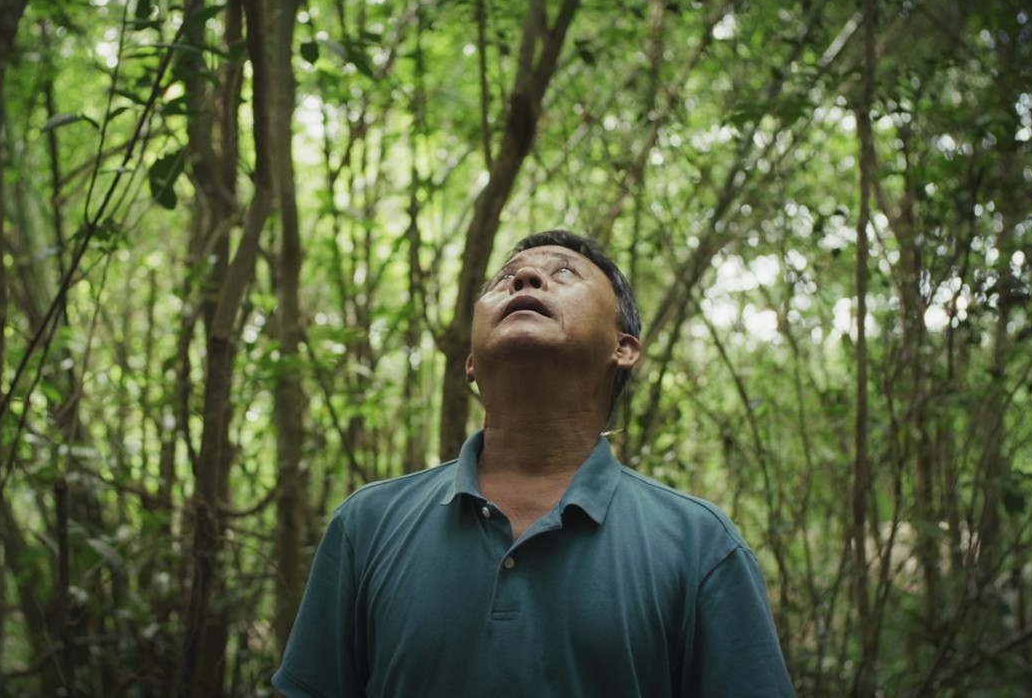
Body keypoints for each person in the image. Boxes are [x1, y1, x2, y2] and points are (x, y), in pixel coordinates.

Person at [273, 230, 795, 697]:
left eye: (564, 273)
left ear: (623, 347)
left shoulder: (700, 545)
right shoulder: (366, 524)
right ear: (470, 363)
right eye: (506, 278)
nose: (524, 279)